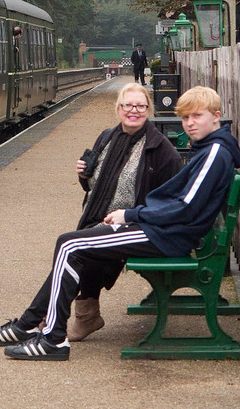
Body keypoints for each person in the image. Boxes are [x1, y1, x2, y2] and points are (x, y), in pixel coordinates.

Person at [0, 86, 240, 361]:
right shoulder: (208, 149)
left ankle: (52, 339)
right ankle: (39, 328)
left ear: (216, 117)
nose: (189, 124)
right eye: (185, 117)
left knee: (70, 245)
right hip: (162, 230)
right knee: (71, 244)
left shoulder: (213, 152)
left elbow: (185, 208)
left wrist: (131, 215)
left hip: (166, 236)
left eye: (196, 116)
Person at [65, 83, 181, 341]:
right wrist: (84, 175)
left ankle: (63, 315)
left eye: (140, 106)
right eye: (128, 105)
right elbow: (93, 186)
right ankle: (79, 314)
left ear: (148, 109)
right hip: (99, 217)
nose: (133, 110)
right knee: (76, 244)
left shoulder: (162, 151)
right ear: (118, 109)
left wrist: (130, 215)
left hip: (134, 225)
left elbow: (168, 202)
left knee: (76, 247)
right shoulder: (107, 137)